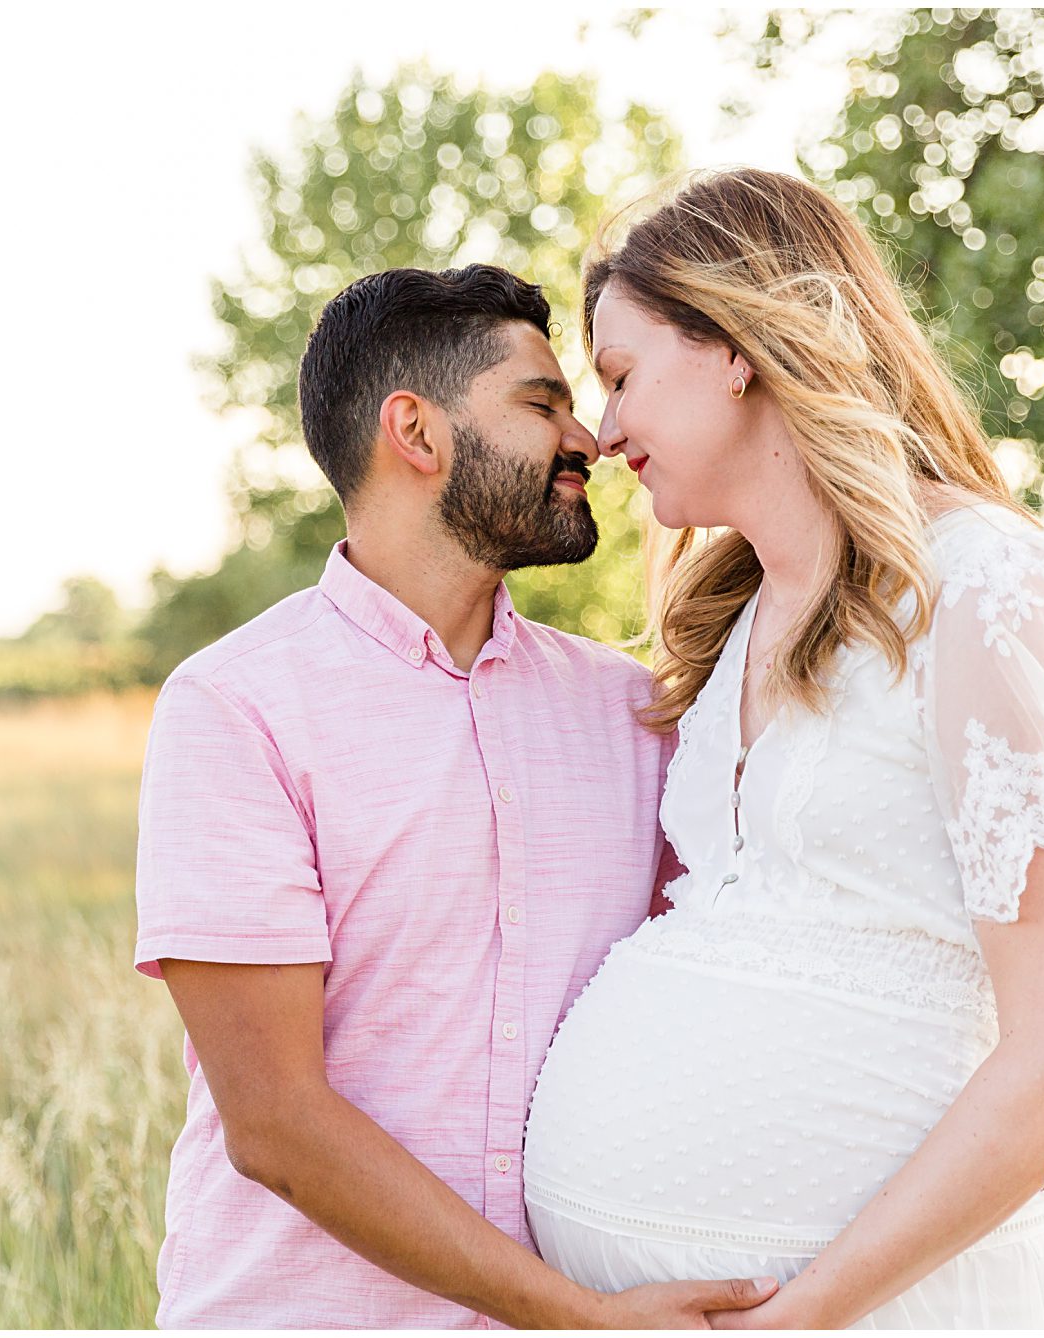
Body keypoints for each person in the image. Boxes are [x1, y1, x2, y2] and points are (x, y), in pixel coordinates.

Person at [521, 167, 1044, 1327]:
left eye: (620, 376)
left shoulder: (979, 587)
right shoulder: (734, 623)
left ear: (735, 345)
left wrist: (799, 1316)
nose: (604, 428)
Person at [131, 264, 780, 1327]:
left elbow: (733, 978)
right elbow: (275, 1123)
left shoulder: (631, 714)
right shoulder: (233, 710)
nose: (591, 439)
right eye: (541, 403)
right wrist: (563, 1313)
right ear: (415, 433)